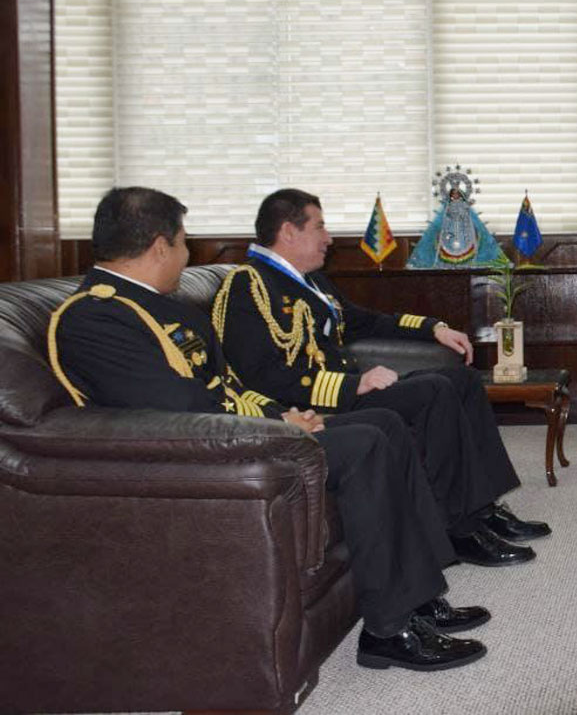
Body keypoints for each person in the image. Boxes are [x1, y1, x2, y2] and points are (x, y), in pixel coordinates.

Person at [49, 187, 489, 673]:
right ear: (158, 247)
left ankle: (417, 598)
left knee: (383, 422)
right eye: (183, 242)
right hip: (212, 457)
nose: (187, 255)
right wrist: (278, 424)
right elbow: (180, 412)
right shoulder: (94, 317)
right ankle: (388, 630)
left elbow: (228, 386)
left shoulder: (158, 306)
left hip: (239, 432)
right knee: (366, 441)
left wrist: (287, 416)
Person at [211, 188, 548, 569]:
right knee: (434, 391)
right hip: (312, 407)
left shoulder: (310, 281)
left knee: (463, 380)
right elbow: (259, 377)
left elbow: (365, 320)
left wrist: (433, 328)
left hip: (347, 391)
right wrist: (352, 385)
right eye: (320, 227)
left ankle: (482, 509)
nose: (329, 238)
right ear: (289, 231)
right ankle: (459, 529)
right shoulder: (248, 285)